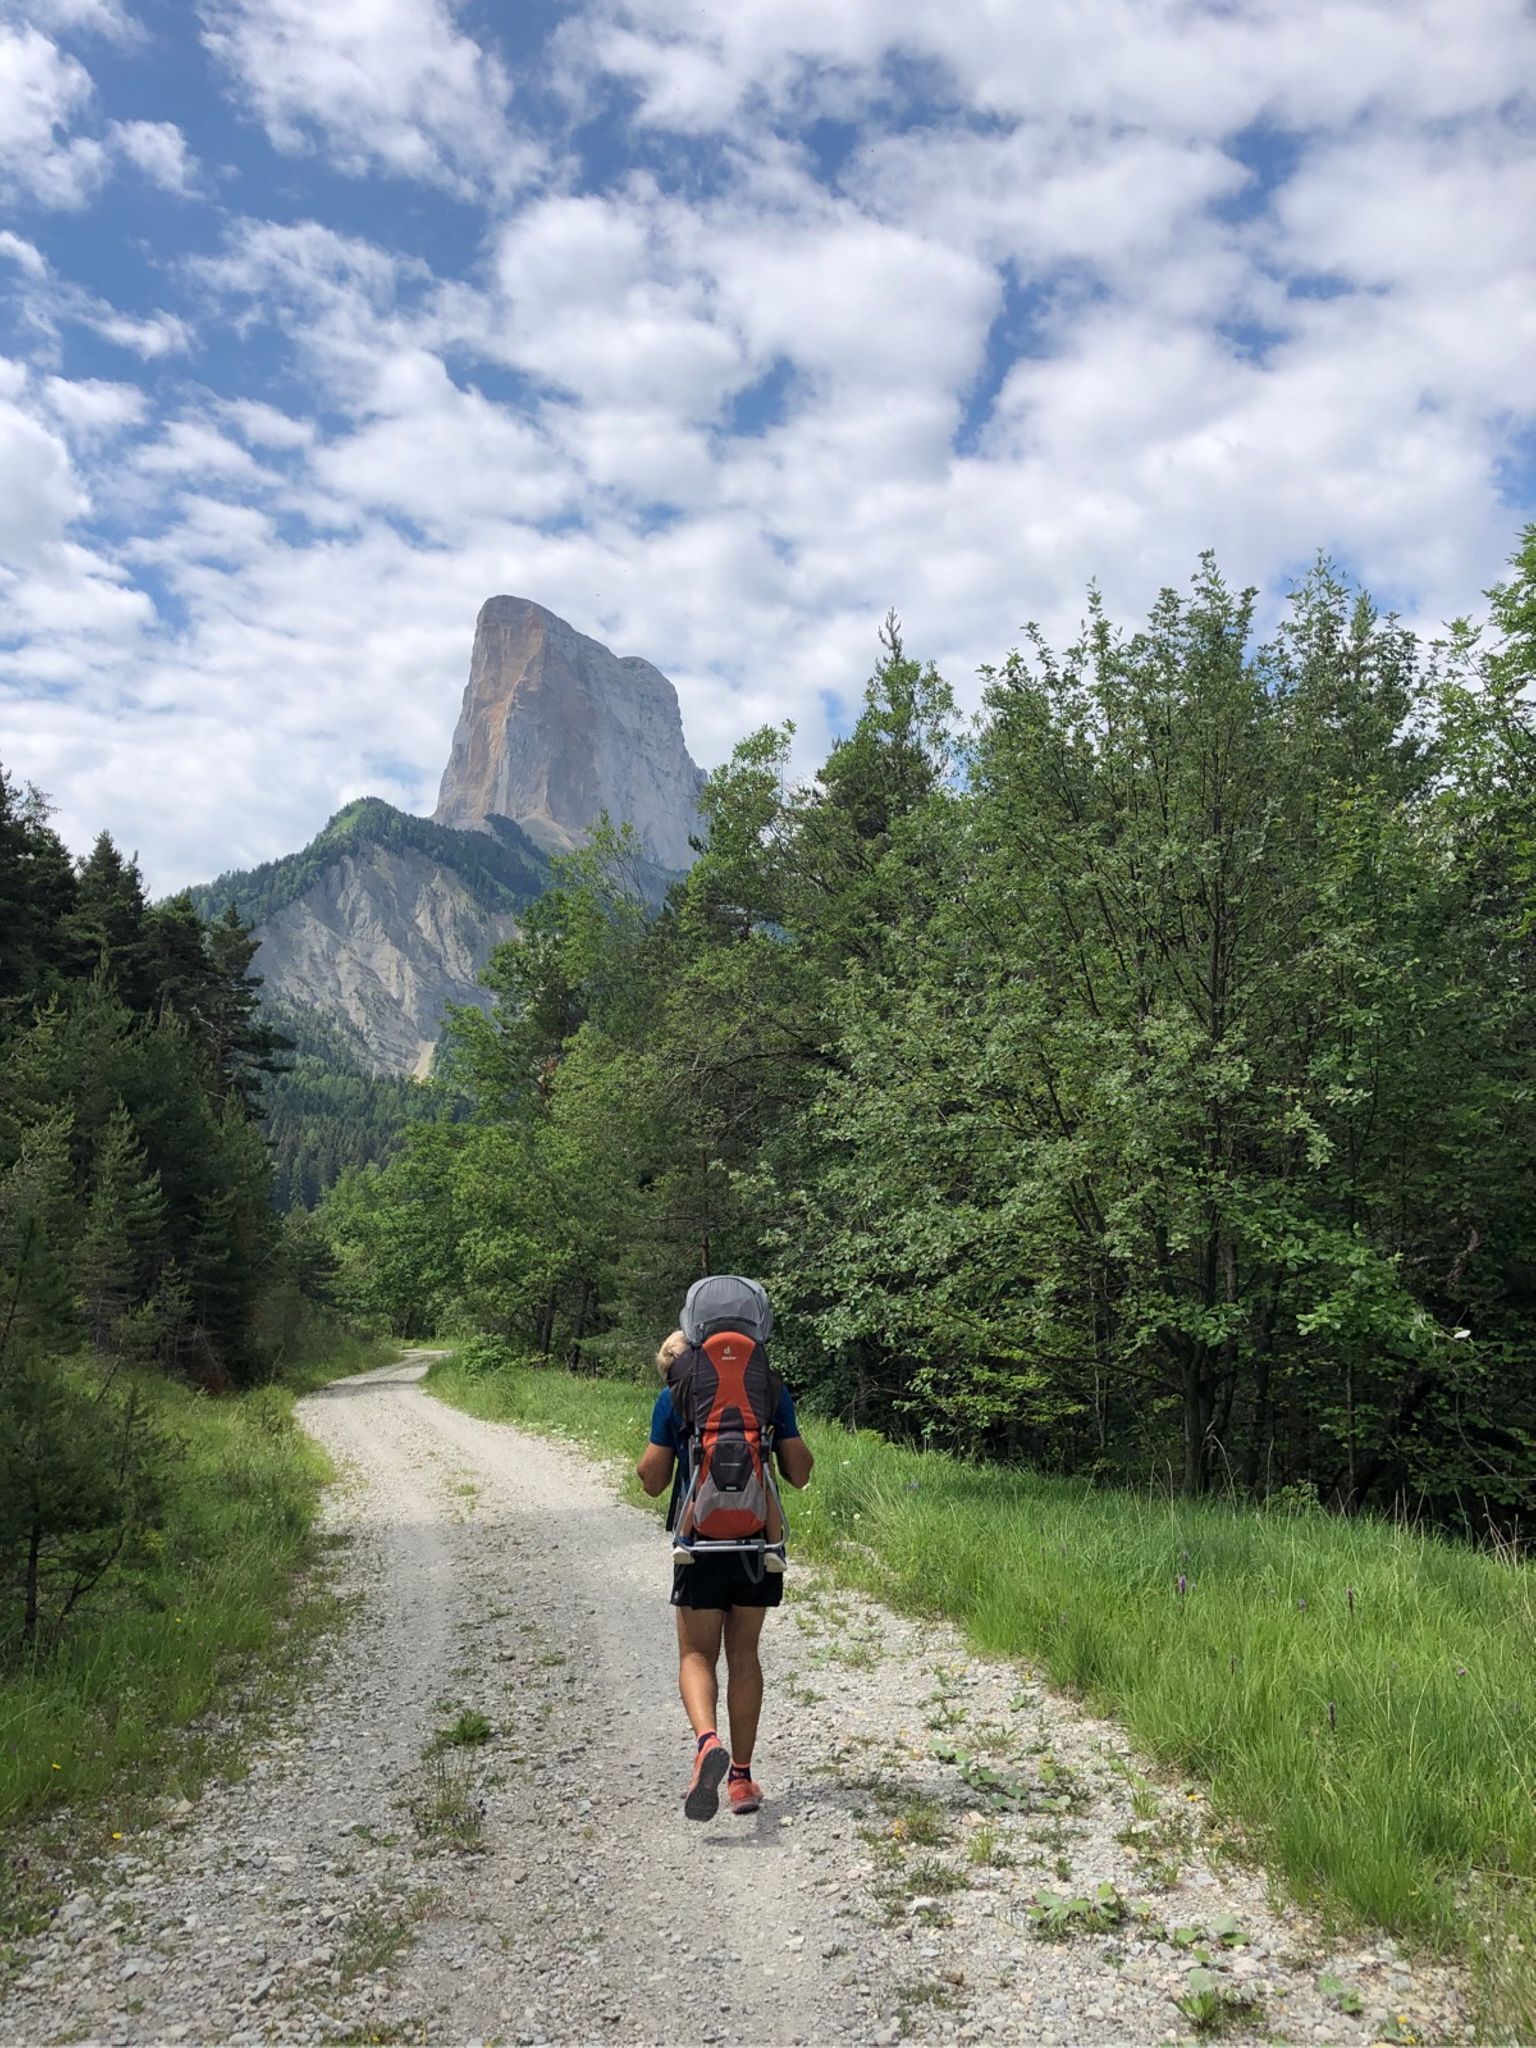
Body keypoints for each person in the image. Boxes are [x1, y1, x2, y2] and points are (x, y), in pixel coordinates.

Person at [637, 1315, 813, 1820]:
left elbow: (651, 1481)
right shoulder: (769, 1391)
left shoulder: (676, 1398)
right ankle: (740, 1777)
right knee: (745, 1655)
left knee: (696, 1653)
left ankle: (707, 1741)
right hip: (757, 1543)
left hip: (700, 1543)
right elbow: (799, 1474)